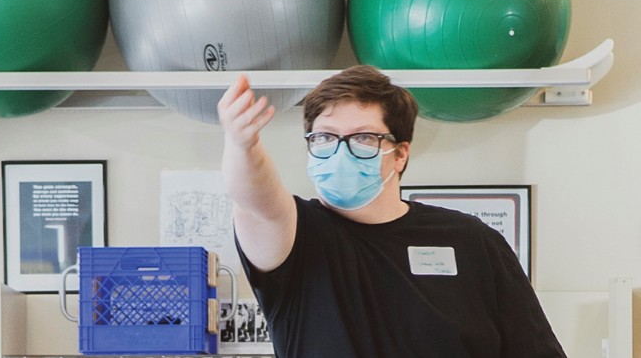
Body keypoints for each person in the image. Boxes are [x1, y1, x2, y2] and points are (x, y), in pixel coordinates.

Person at [217, 65, 566, 358]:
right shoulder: (297, 240)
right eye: (323, 138)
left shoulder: (472, 241)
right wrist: (241, 145)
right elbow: (257, 201)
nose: (340, 153)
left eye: (364, 138)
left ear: (399, 154)